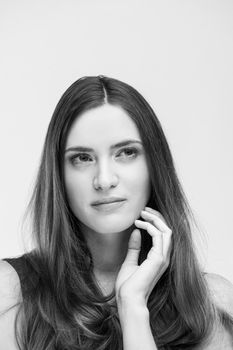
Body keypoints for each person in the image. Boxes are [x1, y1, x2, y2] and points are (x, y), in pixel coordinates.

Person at [0, 75, 232, 350]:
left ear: (154, 164)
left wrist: (133, 309)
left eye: (126, 152)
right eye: (82, 158)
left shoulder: (211, 301)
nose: (105, 179)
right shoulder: (11, 293)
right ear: (59, 175)